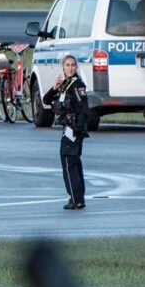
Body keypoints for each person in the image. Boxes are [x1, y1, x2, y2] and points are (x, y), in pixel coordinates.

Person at [42, 54, 89, 210]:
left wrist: (78, 129)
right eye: (67, 65)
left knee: (69, 163)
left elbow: (83, 109)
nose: (70, 68)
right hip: (67, 129)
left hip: (74, 130)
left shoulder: (77, 85)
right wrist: (54, 88)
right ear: (63, 67)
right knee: (73, 163)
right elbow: (46, 100)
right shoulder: (64, 85)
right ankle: (78, 198)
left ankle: (76, 199)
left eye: (73, 65)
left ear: (77, 67)